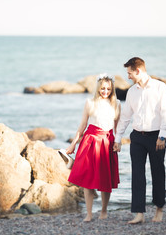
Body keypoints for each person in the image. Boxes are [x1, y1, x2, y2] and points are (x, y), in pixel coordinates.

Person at [113, 57, 166, 224]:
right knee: (137, 175)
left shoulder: (160, 87)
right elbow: (125, 117)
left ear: (138, 70)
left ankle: (159, 209)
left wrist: (162, 135)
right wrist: (118, 138)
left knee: (157, 173)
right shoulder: (132, 91)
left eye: (130, 73)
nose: (128, 76)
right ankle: (139, 213)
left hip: (156, 137)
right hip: (137, 137)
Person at [66, 73, 121, 222]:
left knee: (106, 179)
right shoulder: (90, 102)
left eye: (108, 89)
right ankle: (89, 214)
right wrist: (72, 144)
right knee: (87, 180)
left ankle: (104, 211)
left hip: (107, 143)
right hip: (90, 142)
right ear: (98, 88)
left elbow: (117, 129)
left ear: (112, 89)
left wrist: (118, 142)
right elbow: (82, 125)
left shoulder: (116, 104)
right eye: (103, 88)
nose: (105, 91)